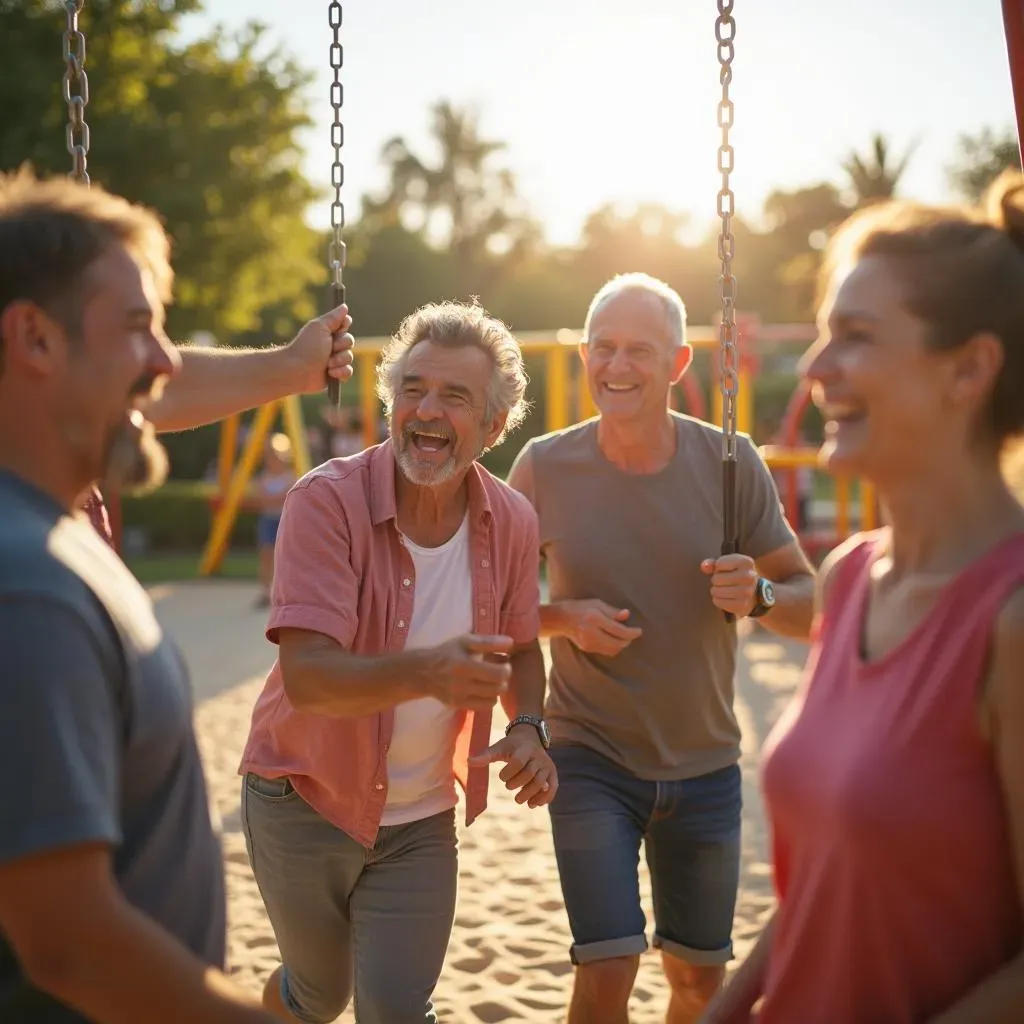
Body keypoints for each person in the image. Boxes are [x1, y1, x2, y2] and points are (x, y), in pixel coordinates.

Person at [700, 173, 1024, 1024]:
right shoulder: (848, 577)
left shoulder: (1012, 621)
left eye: (856, 336)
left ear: (969, 369)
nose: (814, 369)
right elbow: (829, 886)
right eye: (820, 334)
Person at [0, 173, 283, 1020]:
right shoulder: (29, 586)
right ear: (35, 340)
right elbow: (70, 943)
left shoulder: (52, 545)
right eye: (137, 328)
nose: (166, 362)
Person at [237, 300, 558, 1024]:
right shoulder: (324, 504)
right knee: (317, 996)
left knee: (395, 1009)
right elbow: (309, 678)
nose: (426, 409)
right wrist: (426, 672)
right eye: (412, 388)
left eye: (454, 396)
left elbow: (521, 647)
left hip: (420, 818)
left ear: (494, 425)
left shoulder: (511, 521)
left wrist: (532, 725)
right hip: (303, 797)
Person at [507, 273, 815, 1024]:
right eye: (603, 348)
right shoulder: (543, 467)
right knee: (608, 962)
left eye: (638, 351)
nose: (617, 366)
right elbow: (490, 608)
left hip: (706, 766)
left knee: (699, 985)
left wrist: (761, 597)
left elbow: (808, 605)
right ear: (584, 355)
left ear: (678, 364)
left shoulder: (731, 462)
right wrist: (564, 619)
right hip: (589, 755)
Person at [253, 433, 298, 608]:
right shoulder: (264, 476)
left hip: (283, 520)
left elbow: (286, 497)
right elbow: (262, 499)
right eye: (269, 455)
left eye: (275, 455)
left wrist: (272, 499)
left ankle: (285, 591)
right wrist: (274, 499)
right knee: (266, 554)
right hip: (267, 519)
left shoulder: (290, 476)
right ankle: (265, 591)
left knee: (284, 556)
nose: (272, 458)